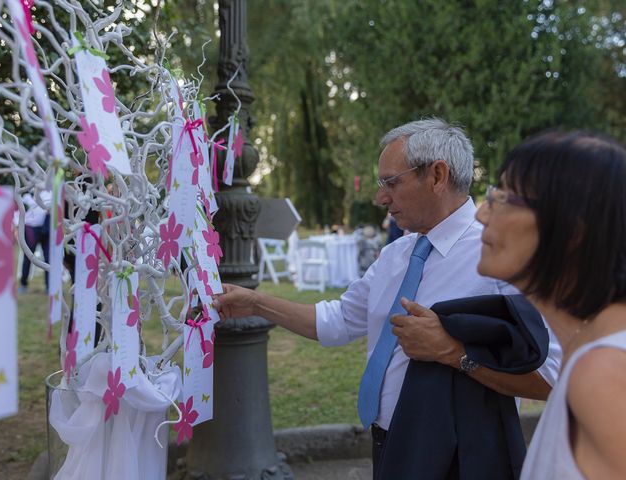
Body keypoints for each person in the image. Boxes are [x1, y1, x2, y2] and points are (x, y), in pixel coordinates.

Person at [214, 118, 561, 476]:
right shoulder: (398, 254)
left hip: (460, 456)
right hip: (389, 446)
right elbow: (338, 321)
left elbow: (551, 377)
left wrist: (453, 353)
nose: (380, 198)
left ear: (438, 176)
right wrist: (255, 303)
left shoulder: (501, 255)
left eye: (391, 182)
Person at [476, 130, 626, 479]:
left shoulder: (604, 371)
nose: (481, 215)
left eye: (504, 198)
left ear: (573, 231)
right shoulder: (588, 344)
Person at [17, 191, 51, 293]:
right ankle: (23, 284)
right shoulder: (26, 196)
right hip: (31, 229)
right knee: (28, 257)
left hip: (46, 228)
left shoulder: (50, 194)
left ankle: (49, 286)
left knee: (48, 258)